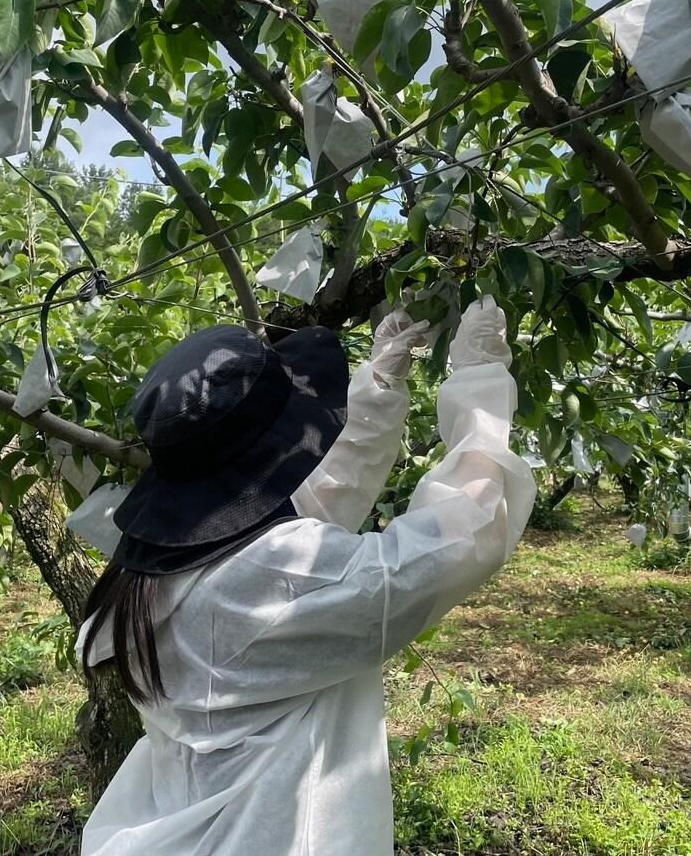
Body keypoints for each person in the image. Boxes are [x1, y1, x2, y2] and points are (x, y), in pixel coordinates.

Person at [76, 297, 536, 855]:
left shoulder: (145, 575)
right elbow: (458, 539)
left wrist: (379, 389)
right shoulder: (264, 582)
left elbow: (309, 500)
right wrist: (480, 389)